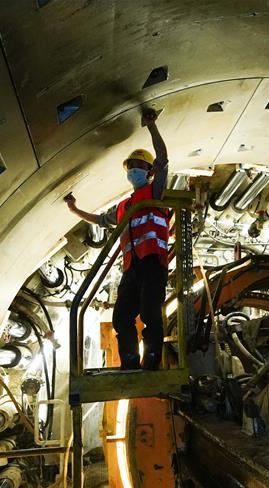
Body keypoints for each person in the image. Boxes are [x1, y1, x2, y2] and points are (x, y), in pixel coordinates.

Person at [64, 109, 169, 370]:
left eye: (139, 166)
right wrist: (75, 211)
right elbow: (101, 220)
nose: (134, 170)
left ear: (150, 171)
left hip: (152, 264)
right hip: (131, 267)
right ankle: (131, 362)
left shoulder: (154, 192)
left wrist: (152, 126)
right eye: (131, 167)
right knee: (122, 318)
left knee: (149, 315)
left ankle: (153, 360)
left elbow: (164, 160)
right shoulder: (124, 206)